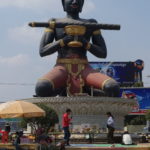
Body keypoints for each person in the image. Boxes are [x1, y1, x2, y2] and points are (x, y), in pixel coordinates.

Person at [35, 0, 120, 97]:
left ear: (82, 4)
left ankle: (88, 90)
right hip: (62, 67)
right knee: (42, 87)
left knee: (112, 87)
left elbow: (102, 53)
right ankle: (61, 89)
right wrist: (64, 41)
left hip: (85, 68)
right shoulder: (54, 22)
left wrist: (85, 43)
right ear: (63, 3)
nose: (75, 2)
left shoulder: (91, 23)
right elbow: (43, 51)